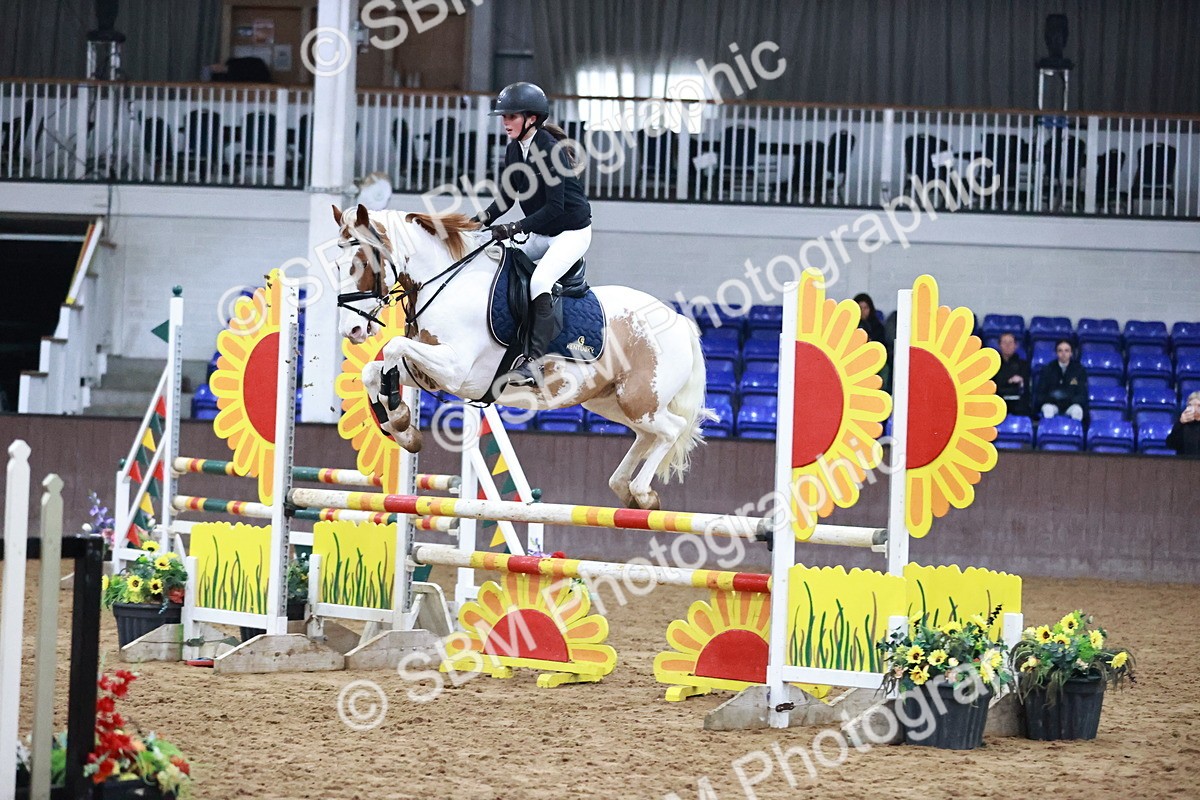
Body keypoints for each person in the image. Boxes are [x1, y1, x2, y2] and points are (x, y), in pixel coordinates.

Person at [475, 82, 593, 386]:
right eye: (503, 116)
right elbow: (506, 198)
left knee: (540, 281)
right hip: (542, 231)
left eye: (511, 116)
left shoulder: (551, 151)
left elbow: (555, 208)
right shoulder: (514, 149)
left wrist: (514, 227)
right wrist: (478, 221)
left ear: (532, 118)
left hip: (571, 232)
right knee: (500, 266)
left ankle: (535, 362)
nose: (505, 122)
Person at [1035, 338, 1087, 420]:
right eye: (1060, 351)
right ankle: (1050, 428)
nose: (1063, 354)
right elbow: (1040, 394)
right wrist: (1054, 400)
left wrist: (1068, 400)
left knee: (1077, 410)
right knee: (1047, 409)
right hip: (1053, 404)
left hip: (1071, 404)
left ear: (1071, 353)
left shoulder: (1079, 370)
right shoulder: (1047, 369)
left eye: (1066, 350)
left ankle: (1074, 429)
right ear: (1056, 353)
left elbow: (1082, 394)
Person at [994, 332, 1030, 416]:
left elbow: (1025, 387)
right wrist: (1009, 381)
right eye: (1004, 342)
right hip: (998, 399)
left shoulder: (1023, 364)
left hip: (1017, 401)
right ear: (999, 345)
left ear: (1015, 345)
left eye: (1010, 342)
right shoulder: (994, 365)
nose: (1008, 345)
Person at [1166, 391, 1200, 457]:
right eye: (1190, 405)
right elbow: (1170, 444)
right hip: (1184, 461)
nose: (1194, 409)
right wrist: (1180, 423)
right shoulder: (1183, 424)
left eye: (1199, 406)